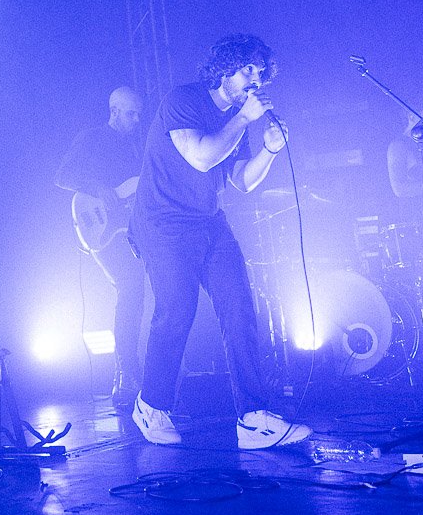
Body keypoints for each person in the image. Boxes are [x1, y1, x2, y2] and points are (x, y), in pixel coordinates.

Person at [127, 35, 311, 449]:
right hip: (162, 221)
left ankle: (253, 418)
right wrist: (244, 119)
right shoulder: (184, 100)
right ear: (224, 68)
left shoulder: (234, 119)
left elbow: (242, 181)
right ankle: (151, 405)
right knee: (177, 309)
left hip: (207, 220)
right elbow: (201, 156)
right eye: (248, 70)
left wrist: (269, 150)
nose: (255, 80)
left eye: (260, 73)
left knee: (240, 306)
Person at [56, 87, 146, 401]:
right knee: (131, 286)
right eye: (131, 113)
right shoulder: (91, 138)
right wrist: (98, 187)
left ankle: (143, 373)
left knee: (142, 291)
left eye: (139, 114)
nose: (137, 119)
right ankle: (126, 374)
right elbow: (63, 176)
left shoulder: (135, 147)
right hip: (101, 225)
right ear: (114, 111)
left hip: (129, 227)